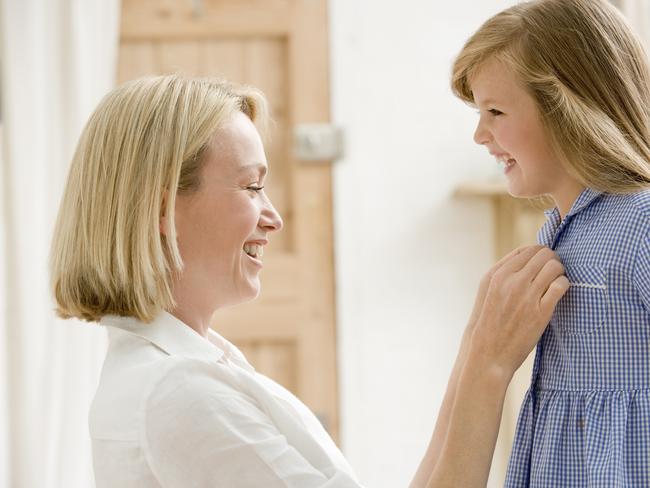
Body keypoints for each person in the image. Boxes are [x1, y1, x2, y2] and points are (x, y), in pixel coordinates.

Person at [50, 75, 568, 488]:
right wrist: (488, 365)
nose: (273, 216)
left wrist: (477, 350)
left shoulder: (190, 367)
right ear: (159, 207)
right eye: (251, 186)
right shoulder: (178, 395)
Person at [451, 0, 650, 486]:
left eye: (495, 111)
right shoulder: (559, 231)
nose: (480, 134)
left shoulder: (641, 223)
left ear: (569, 108)